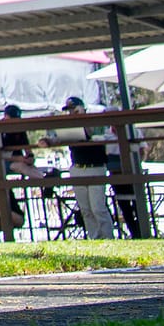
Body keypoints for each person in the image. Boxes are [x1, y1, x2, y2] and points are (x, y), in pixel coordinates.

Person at [56, 96, 115, 239]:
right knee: (86, 209)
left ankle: (108, 237)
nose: (71, 112)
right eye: (69, 110)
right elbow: (59, 138)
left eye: (74, 109)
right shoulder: (68, 126)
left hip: (95, 167)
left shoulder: (94, 120)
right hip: (77, 167)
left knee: (98, 208)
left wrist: (82, 118)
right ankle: (95, 237)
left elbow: (94, 134)